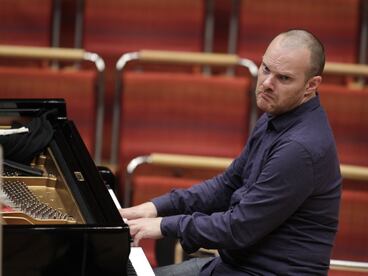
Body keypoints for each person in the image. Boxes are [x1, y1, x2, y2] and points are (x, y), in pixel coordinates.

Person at [120, 29, 342, 275]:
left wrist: (164, 225)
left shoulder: (299, 149)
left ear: (311, 85)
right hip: (236, 266)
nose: (267, 84)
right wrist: (155, 207)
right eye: (266, 69)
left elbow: (239, 227)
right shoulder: (277, 114)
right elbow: (227, 185)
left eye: (284, 78)